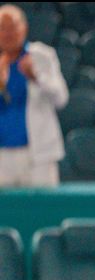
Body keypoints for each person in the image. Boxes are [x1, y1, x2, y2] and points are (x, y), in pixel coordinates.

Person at [0, 4, 68, 188]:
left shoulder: (42, 55)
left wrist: (36, 77)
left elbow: (61, 98)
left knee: (44, 212)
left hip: (38, 154)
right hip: (3, 156)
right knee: (6, 214)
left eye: (12, 27)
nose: (8, 33)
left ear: (24, 28)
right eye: (2, 28)